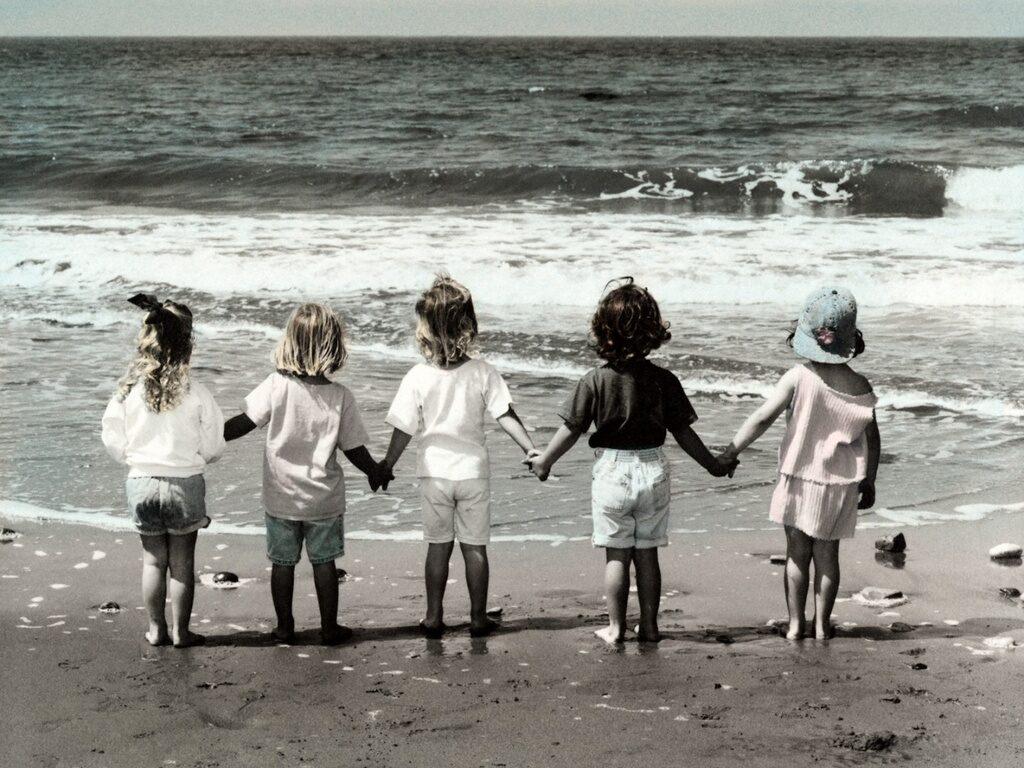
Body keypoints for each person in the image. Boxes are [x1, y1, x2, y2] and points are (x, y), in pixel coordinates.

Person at [526, 278, 735, 644]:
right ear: (652, 331)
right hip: (653, 469)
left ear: (603, 332)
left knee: (617, 555)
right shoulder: (664, 380)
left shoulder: (594, 381)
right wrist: (713, 464)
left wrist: (545, 461)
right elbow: (683, 432)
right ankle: (650, 626)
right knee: (647, 553)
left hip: (612, 471)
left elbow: (572, 429)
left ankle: (616, 627)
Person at [718, 286, 880, 642]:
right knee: (828, 557)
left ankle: (795, 625)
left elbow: (763, 417)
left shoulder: (798, 377)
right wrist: (869, 479)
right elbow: (872, 436)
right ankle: (822, 626)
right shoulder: (860, 385)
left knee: (797, 554)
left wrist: (731, 451)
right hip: (841, 484)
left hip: (799, 478)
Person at [223, 303, 389, 645]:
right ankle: (329, 628)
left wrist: (211, 437)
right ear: (334, 346)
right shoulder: (340, 396)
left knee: (282, 564)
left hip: (281, 496)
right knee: (324, 563)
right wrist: (374, 470)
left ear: (290, 342)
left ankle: (285, 627)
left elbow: (244, 423)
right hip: (323, 500)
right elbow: (353, 447)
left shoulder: (276, 385)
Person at [381, 276, 535, 639]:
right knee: (474, 547)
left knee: (438, 546)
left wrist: (386, 465)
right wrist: (530, 448)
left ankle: (433, 617)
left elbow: (403, 428)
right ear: (468, 325)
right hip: (472, 473)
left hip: (434, 474)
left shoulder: (418, 376)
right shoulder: (483, 372)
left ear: (425, 330)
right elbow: (505, 415)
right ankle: (478, 618)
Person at [102, 293, 225, 648]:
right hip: (184, 484)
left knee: (153, 562)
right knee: (182, 564)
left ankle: (156, 630)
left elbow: (112, 436)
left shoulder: (128, 391)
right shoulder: (196, 392)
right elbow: (213, 445)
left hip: (140, 482)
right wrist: (197, 457)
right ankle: (181, 632)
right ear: (187, 344)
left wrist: (133, 458)